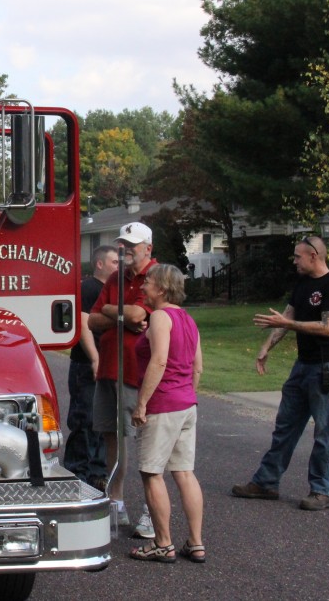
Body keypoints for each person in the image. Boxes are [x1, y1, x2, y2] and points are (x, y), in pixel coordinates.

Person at [233, 235, 329, 511]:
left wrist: (289, 322)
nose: (294, 261)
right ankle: (266, 482)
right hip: (303, 365)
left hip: (328, 365)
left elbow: (327, 328)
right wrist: (266, 347)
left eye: (298, 256)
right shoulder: (302, 284)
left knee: (324, 431)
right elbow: (286, 318)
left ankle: (321, 490)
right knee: (285, 426)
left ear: (314, 256)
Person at [129, 263, 205, 564]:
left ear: (161, 288)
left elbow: (158, 361)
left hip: (163, 404)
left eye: (147, 282)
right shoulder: (188, 319)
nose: (143, 286)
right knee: (184, 472)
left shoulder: (160, 317)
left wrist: (142, 403)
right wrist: (188, 394)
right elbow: (198, 366)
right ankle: (196, 543)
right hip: (186, 403)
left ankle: (162, 543)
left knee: (151, 473)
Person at [87, 221, 157, 536]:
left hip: (137, 370)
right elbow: (92, 320)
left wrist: (116, 314)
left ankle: (151, 511)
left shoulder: (156, 277)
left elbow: (139, 315)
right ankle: (116, 501)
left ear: (148, 248)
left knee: (145, 439)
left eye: (132, 244)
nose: (126, 249)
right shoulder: (117, 277)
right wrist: (122, 316)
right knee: (112, 437)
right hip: (110, 367)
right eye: (123, 244)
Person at [64, 245, 118, 489]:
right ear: (99, 264)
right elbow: (83, 325)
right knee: (84, 420)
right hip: (86, 364)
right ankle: (77, 474)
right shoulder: (88, 288)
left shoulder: (112, 291)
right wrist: (95, 358)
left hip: (108, 365)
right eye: (114, 262)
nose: (118, 266)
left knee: (102, 422)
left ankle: (97, 472)